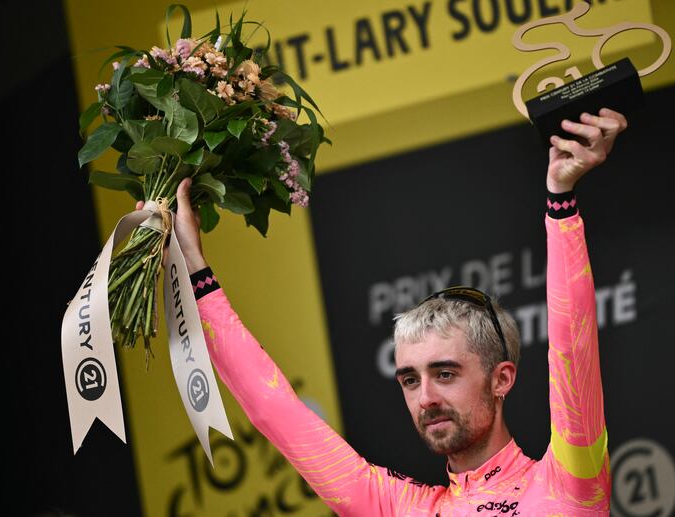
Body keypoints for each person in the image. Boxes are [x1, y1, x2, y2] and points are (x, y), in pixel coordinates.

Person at [137, 108, 627, 515]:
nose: (426, 396)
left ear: (502, 378)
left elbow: (573, 350)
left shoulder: (568, 482)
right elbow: (277, 412)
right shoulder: (402, 508)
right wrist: (195, 269)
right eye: (410, 379)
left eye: (446, 372)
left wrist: (560, 200)